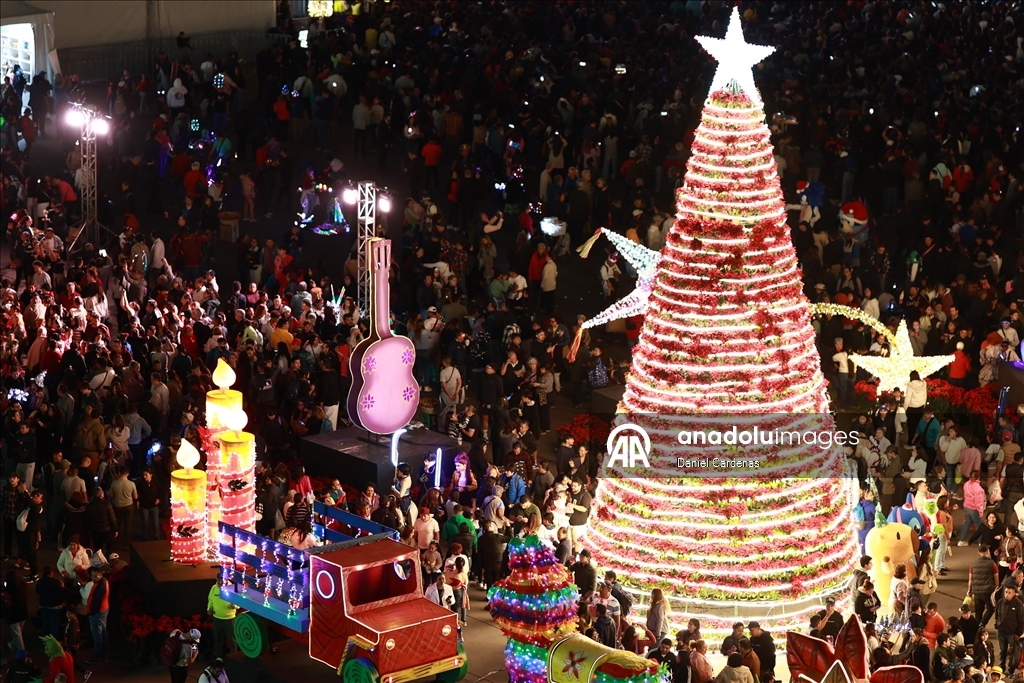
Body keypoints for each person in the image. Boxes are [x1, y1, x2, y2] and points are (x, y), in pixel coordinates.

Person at [83, 565, 110, 663]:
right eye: (92, 576)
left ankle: (97, 656)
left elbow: (96, 603)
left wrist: (91, 613)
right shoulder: (104, 581)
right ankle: (104, 654)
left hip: (97, 613)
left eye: (95, 576)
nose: (93, 578)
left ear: (100, 575)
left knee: (97, 634)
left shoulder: (99, 587)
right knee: (103, 631)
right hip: (104, 610)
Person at [996, 584, 1024, 670]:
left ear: (1014, 594)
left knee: (1013, 652)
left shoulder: (1018, 605)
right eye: (1006, 592)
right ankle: (1002, 667)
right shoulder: (1000, 602)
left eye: (1009, 593)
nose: (1006, 594)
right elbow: (997, 615)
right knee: (1002, 651)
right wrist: (997, 625)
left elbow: (1021, 620)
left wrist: (1018, 633)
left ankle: (1011, 669)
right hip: (1001, 632)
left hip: (1012, 634)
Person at [208, 581, 237, 659]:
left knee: (232, 640)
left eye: (222, 580)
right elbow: (210, 599)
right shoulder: (214, 588)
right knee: (217, 639)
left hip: (229, 619)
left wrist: (235, 606)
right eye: (219, 580)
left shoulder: (233, 588)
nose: (221, 582)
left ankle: (233, 659)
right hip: (216, 618)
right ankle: (219, 658)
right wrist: (209, 608)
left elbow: (238, 601)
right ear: (216, 579)